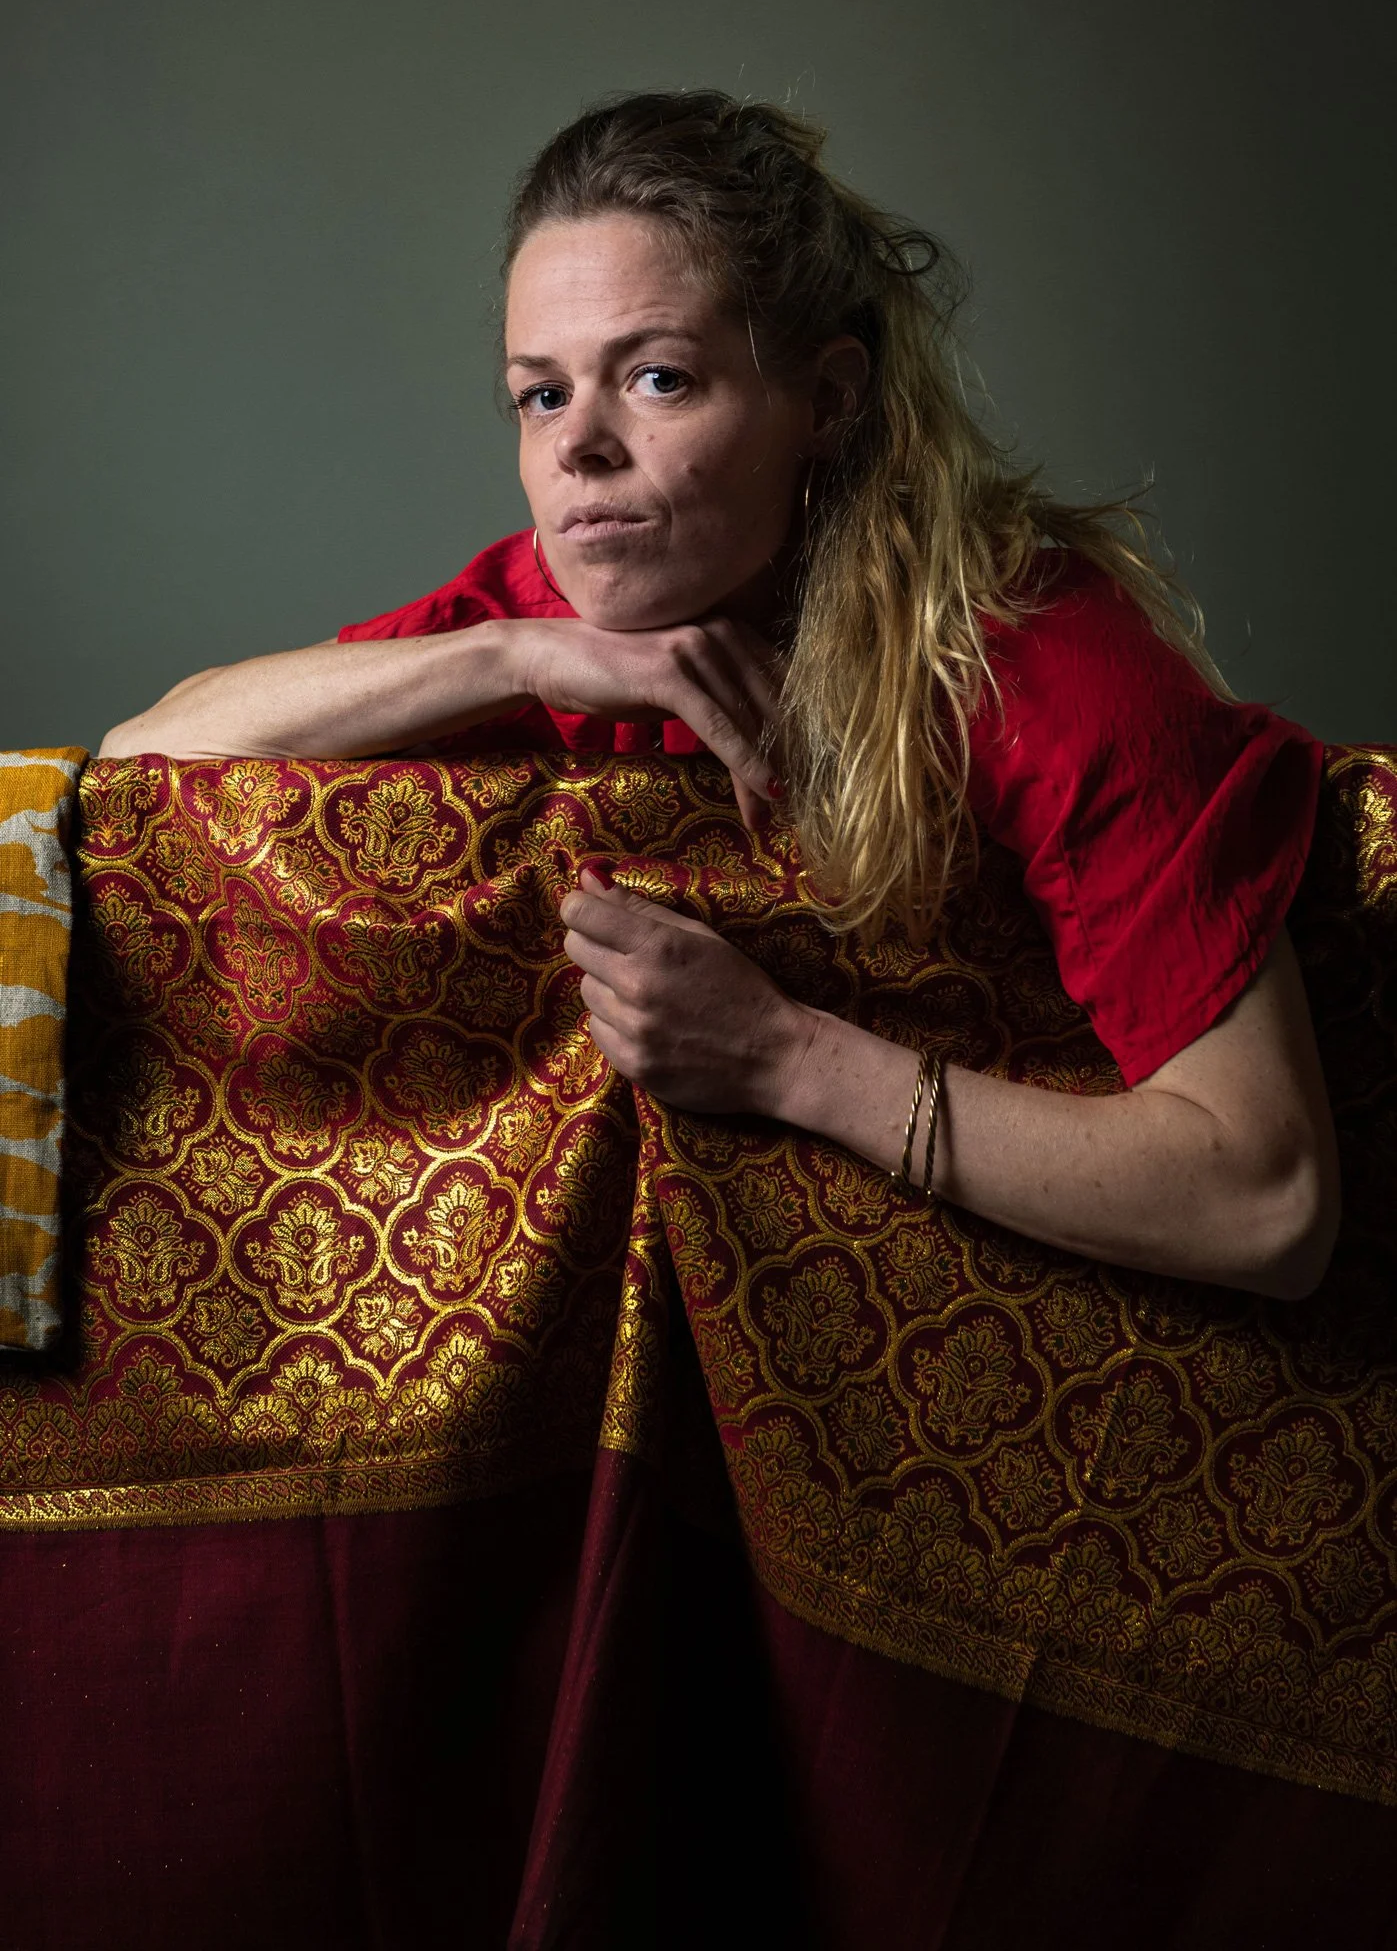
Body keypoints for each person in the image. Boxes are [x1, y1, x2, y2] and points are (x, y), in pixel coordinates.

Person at [101, 89, 1339, 1301]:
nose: (578, 444)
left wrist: (786, 1057)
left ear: (830, 399)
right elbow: (142, 758)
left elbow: (1264, 1197)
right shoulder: (546, 612)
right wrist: (512, 655)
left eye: (656, 379)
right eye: (541, 392)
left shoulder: (1038, 658)